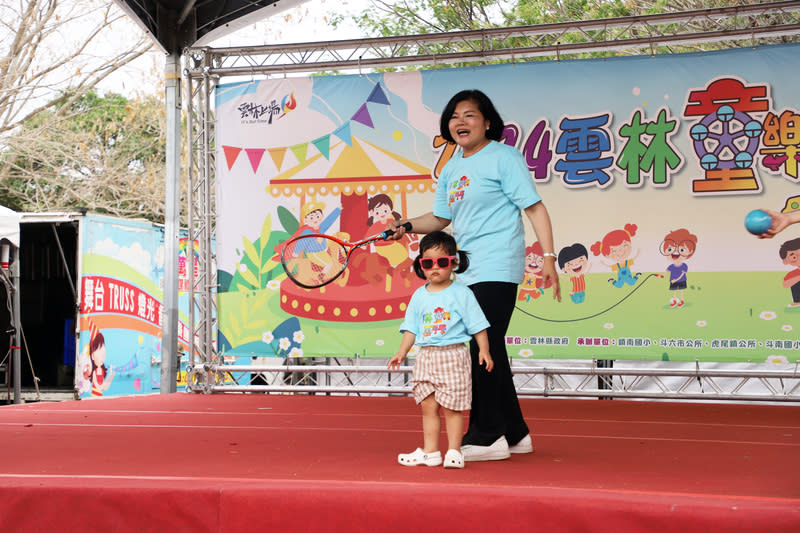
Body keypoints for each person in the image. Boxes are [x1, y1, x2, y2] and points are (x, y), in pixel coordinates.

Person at [387, 89, 561, 462]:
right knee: (491, 347)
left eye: (469, 115)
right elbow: (440, 219)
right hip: (465, 269)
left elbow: (535, 207)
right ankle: (515, 433)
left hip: (497, 265)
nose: (460, 122)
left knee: (480, 346)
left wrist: (548, 257)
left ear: (487, 122)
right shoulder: (451, 168)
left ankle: (486, 436)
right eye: (453, 117)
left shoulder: (503, 157)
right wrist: (406, 225)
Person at [388, 231, 492, 468]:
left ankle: (454, 451)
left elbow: (478, 325)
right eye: (428, 263)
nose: (435, 268)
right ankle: (430, 452)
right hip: (426, 356)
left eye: (442, 262)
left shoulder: (462, 293)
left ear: (454, 262)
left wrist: (484, 350)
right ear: (421, 265)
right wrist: (402, 352)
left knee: (452, 408)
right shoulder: (418, 296)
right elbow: (411, 328)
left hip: (453, 354)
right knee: (428, 405)